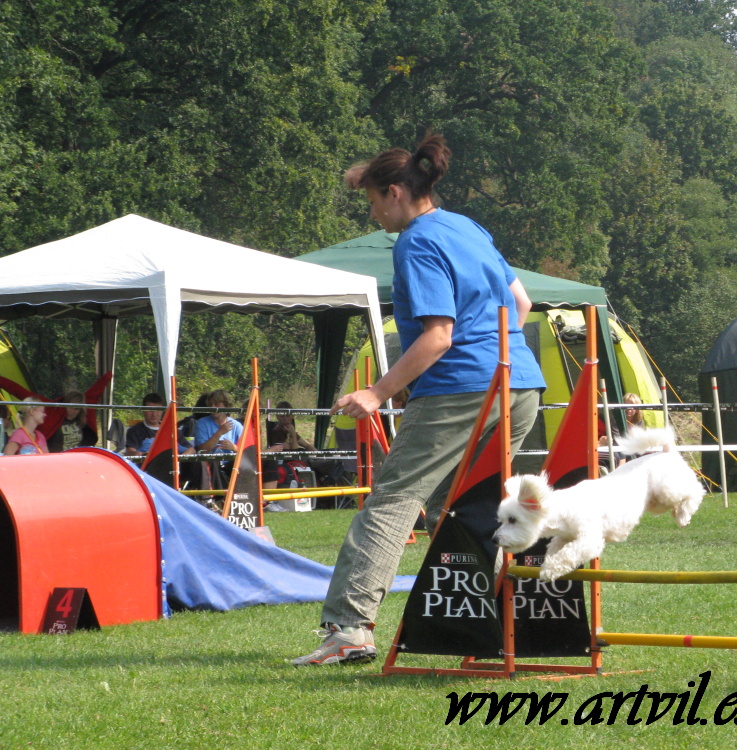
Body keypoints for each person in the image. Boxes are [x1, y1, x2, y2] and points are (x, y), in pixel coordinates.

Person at [292, 132, 546, 667]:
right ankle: (497, 620)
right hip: (521, 382)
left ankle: (349, 629)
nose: (373, 217)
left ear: (396, 193)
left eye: (372, 203)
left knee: (394, 500)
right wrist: (497, 358)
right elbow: (519, 301)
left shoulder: (416, 242)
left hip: (460, 386)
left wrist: (376, 391)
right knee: (472, 504)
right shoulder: (467, 227)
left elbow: (438, 335)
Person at [194, 389, 244, 491]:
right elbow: (202, 449)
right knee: (213, 460)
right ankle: (219, 498)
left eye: (217, 404)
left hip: (231, 464)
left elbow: (248, 451)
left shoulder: (236, 425)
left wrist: (234, 447)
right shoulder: (202, 423)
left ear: (226, 405)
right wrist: (219, 433)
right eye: (211, 404)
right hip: (211, 463)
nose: (213, 408)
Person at [125, 392, 195, 458]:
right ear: (143, 410)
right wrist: (143, 455)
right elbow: (130, 451)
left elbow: (191, 449)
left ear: (162, 411)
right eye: (150, 410)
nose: (154, 414)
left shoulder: (172, 430)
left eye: (157, 410)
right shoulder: (135, 431)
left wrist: (179, 459)